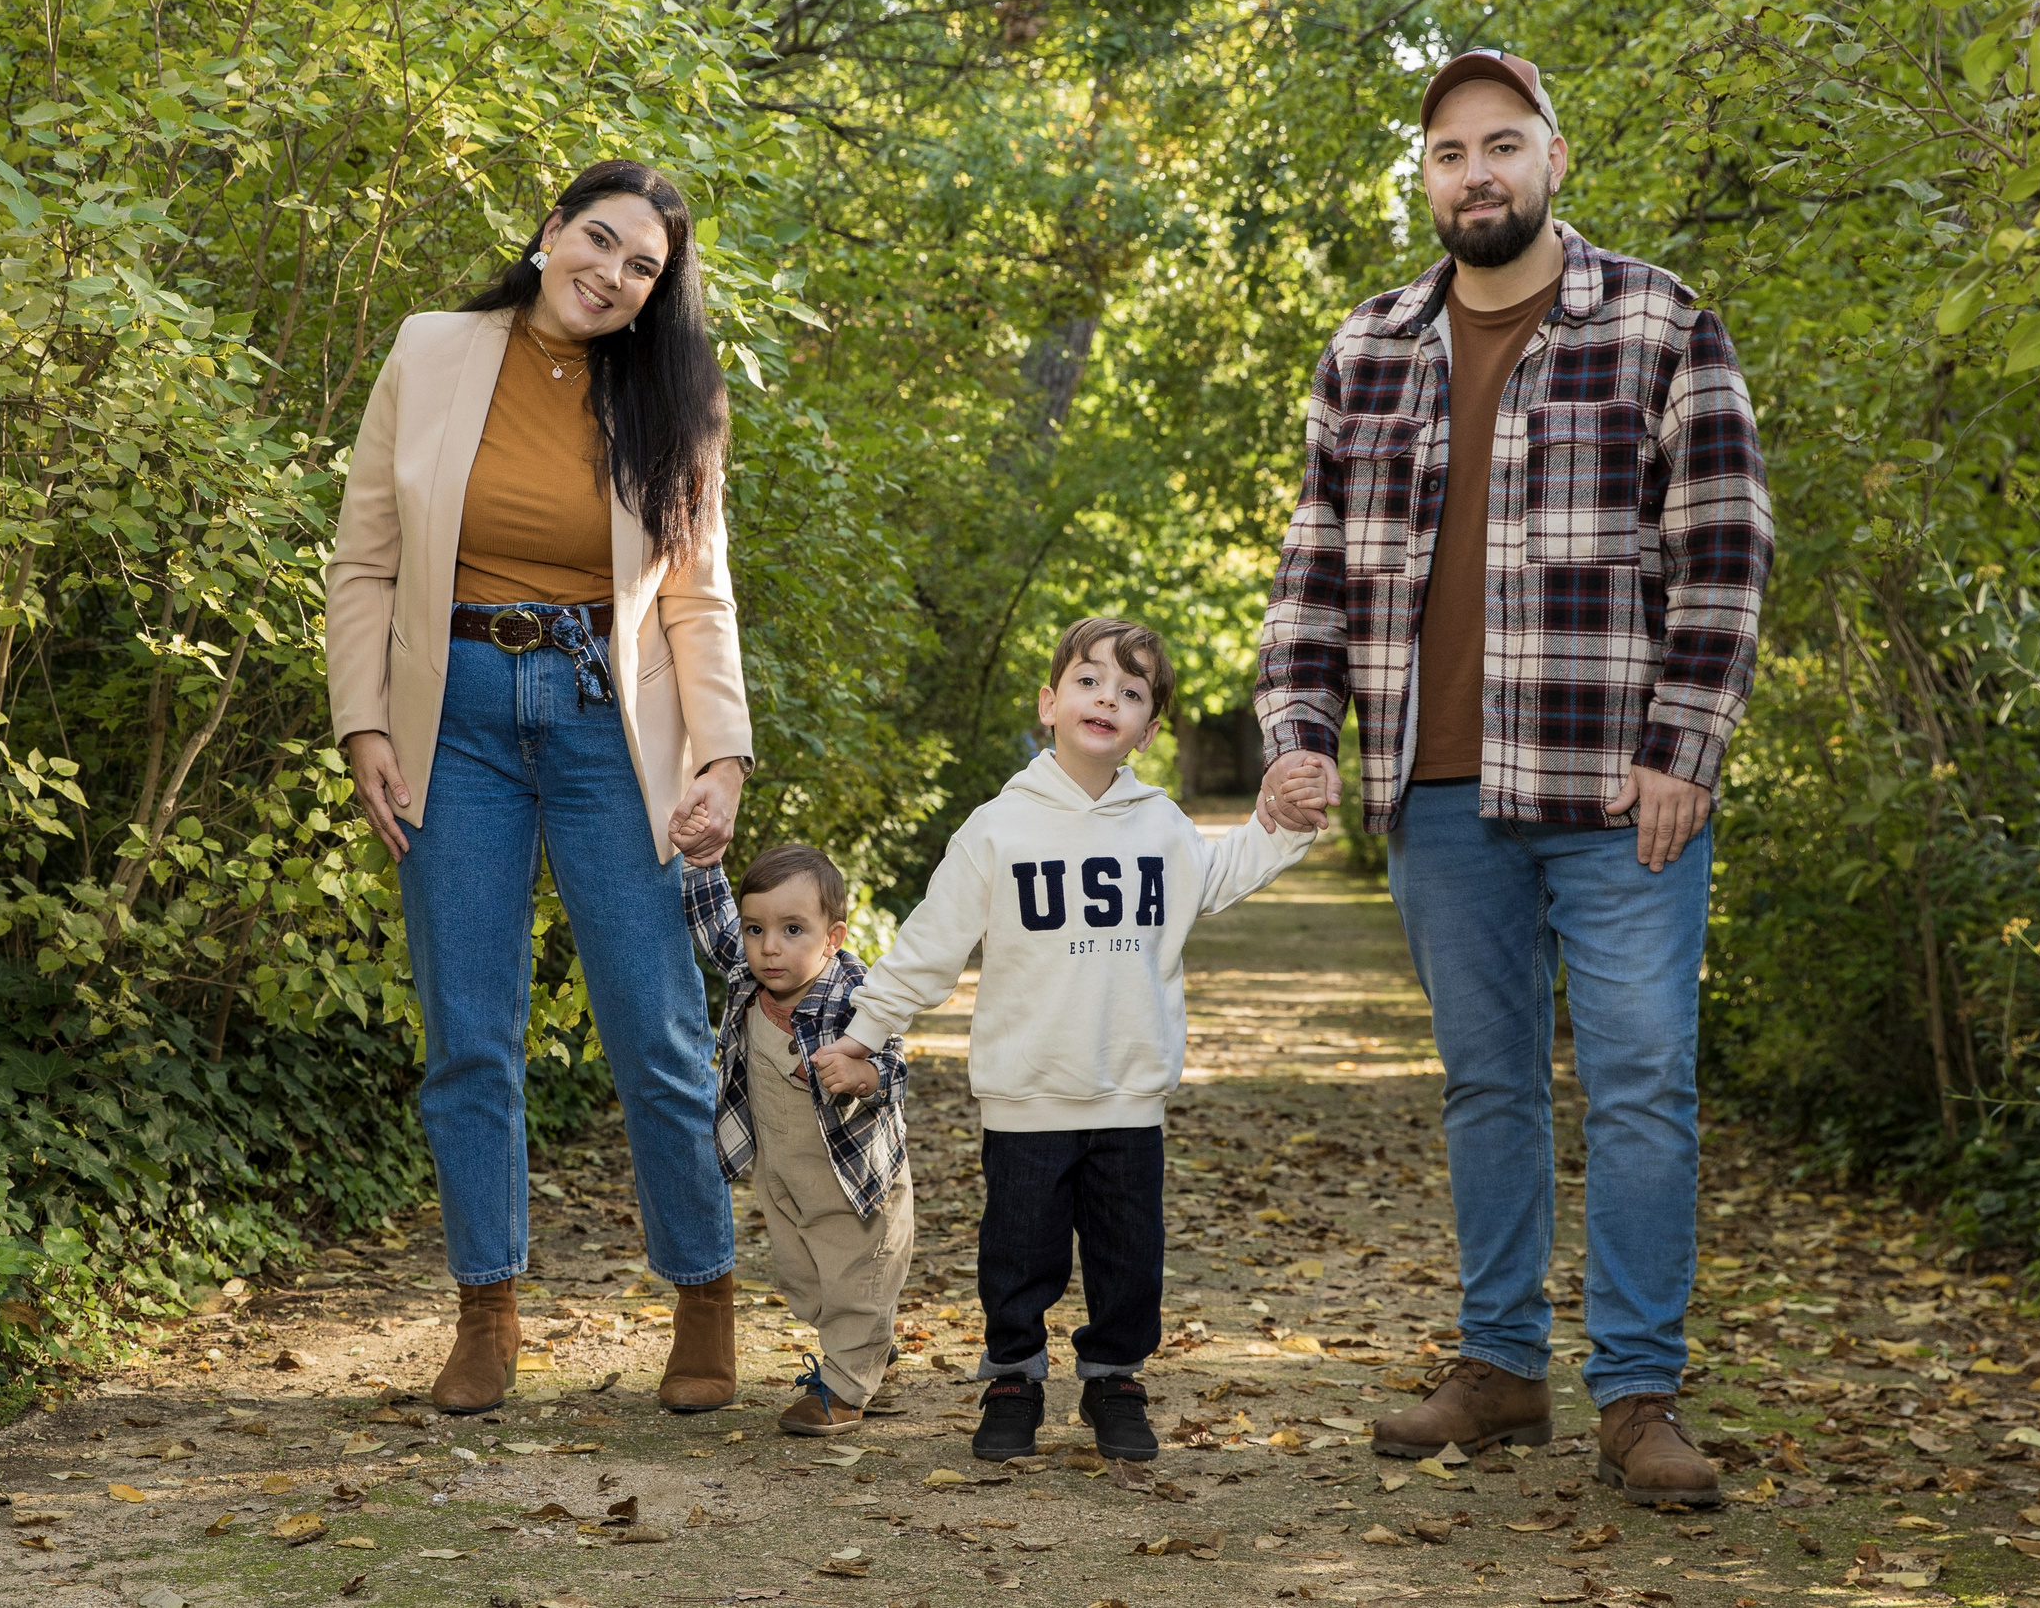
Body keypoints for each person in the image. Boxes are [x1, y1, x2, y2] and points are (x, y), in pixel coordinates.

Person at [1252, 51, 1773, 1507]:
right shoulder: (1364, 349)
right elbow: (1311, 571)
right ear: (1425, 179)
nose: (1473, 173)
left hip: (1618, 793)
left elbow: (1726, 550)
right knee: (1487, 1083)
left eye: (1500, 145)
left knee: (1642, 1081)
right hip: (1437, 793)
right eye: (1446, 153)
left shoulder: (1661, 319)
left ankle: (1638, 1389)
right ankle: (1498, 1365)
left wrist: (1685, 746)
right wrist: (1301, 725)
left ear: (1554, 159)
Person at [327, 159, 757, 1418]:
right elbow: (365, 558)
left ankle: (703, 1291)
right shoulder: (431, 350)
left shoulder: (675, 396)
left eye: (643, 269)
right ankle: (487, 1312)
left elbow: (696, 593)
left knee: (656, 1028)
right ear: (548, 230)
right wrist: (363, 723)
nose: (613, 278)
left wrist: (720, 756)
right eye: (601, 242)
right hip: (448, 716)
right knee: (468, 1033)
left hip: (605, 729)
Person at [843, 618, 1325, 1463]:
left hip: (1128, 1091)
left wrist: (1281, 823)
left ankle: (1114, 1379)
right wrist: (864, 1033)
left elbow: (1223, 872)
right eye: (1091, 681)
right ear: (1050, 702)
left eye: (1132, 692)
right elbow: (930, 944)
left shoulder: (1162, 825)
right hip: (1025, 1090)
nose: (1109, 698)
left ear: (1149, 728)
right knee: (1018, 1252)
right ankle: (1012, 1377)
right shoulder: (998, 826)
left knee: (1127, 1256)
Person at [676, 838, 912, 1437]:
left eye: (791, 930)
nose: (769, 947)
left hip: (853, 1177)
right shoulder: (753, 974)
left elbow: (894, 1063)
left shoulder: (852, 996)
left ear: (831, 938)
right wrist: (703, 859)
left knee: (855, 1277)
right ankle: (863, 1350)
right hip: (781, 1169)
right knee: (802, 1277)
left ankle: (845, 1384)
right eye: (757, 929)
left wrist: (864, 1074)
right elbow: (713, 924)